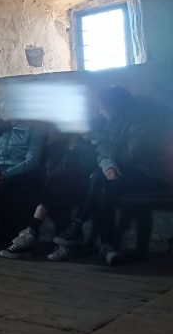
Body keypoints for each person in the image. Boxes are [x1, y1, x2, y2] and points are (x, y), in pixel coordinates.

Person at [52, 86, 171, 264]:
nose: (100, 112)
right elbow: (104, 154)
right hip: (123, 173)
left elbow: (130, 158)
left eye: (102, 108)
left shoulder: (142, 123)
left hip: (150, 174)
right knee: (103, 182)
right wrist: (108, 166)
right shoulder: (113, 123)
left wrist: (99, 141)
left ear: (114, 107)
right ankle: (106, 245)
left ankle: (84, 230)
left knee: (100, 180)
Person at [0, 134, 95, 260]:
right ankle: (62, 242)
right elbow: (46, 168)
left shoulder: (90, 144)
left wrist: (79, 146)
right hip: (55, 188)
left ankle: (30, 233)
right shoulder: (56, 145)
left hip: (80, 188)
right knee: (48, 189)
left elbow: (88, 169)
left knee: (53, 186)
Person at [0, 97, 47, 251]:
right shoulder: (0, 130)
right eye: (1, 110)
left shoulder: (34, 130)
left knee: (8, 187)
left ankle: (1, 237)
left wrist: (5, 174)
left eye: (7, 109)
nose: (3, 112)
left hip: (23, 173)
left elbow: (31, 161)